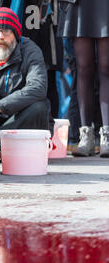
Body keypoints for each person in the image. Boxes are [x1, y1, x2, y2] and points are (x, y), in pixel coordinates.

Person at [0, 7, 52, 140]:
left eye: (6, 31)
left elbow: (38, 87)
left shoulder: (31, 51)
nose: (0, 37)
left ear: (15, 35)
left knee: (39, 108)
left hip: (15, 119)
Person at [57, 0, 109, 157]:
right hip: (80, 4)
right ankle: (85, 135)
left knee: (106, 67)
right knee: (83, 67)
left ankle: (106, 134)